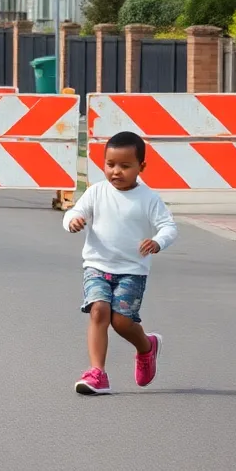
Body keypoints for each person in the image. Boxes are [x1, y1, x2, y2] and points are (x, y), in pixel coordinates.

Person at [63, 131, 178, 395]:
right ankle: (97, 374)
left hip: (132, 271)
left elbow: (169, 227)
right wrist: (73, 221)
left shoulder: (149, 198)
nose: (116, 171)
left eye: (125, 166)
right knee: (99, 311)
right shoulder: (96, 193)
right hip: (97, 265)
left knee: (122, 322)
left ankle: (146, 346)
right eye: (110, 165)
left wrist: (158, 242)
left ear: (141, 167)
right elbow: (75, 211)